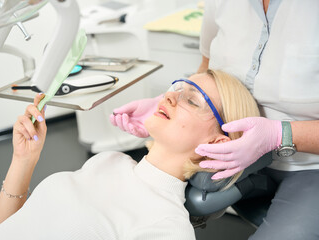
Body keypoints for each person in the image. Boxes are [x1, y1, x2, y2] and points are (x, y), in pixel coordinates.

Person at [110, 0, 319, 239]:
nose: (170, 98)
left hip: (310, 166)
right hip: (231, 153)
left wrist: (280, 135)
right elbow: (206, 68)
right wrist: (176, 97)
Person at [0, 69, 259, 239]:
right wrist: (23, 160)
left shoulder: (166, 227)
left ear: (216, 141)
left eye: (192, 99)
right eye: (177, 88)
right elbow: (4, 233)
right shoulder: (108, 161)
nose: (169, 97)